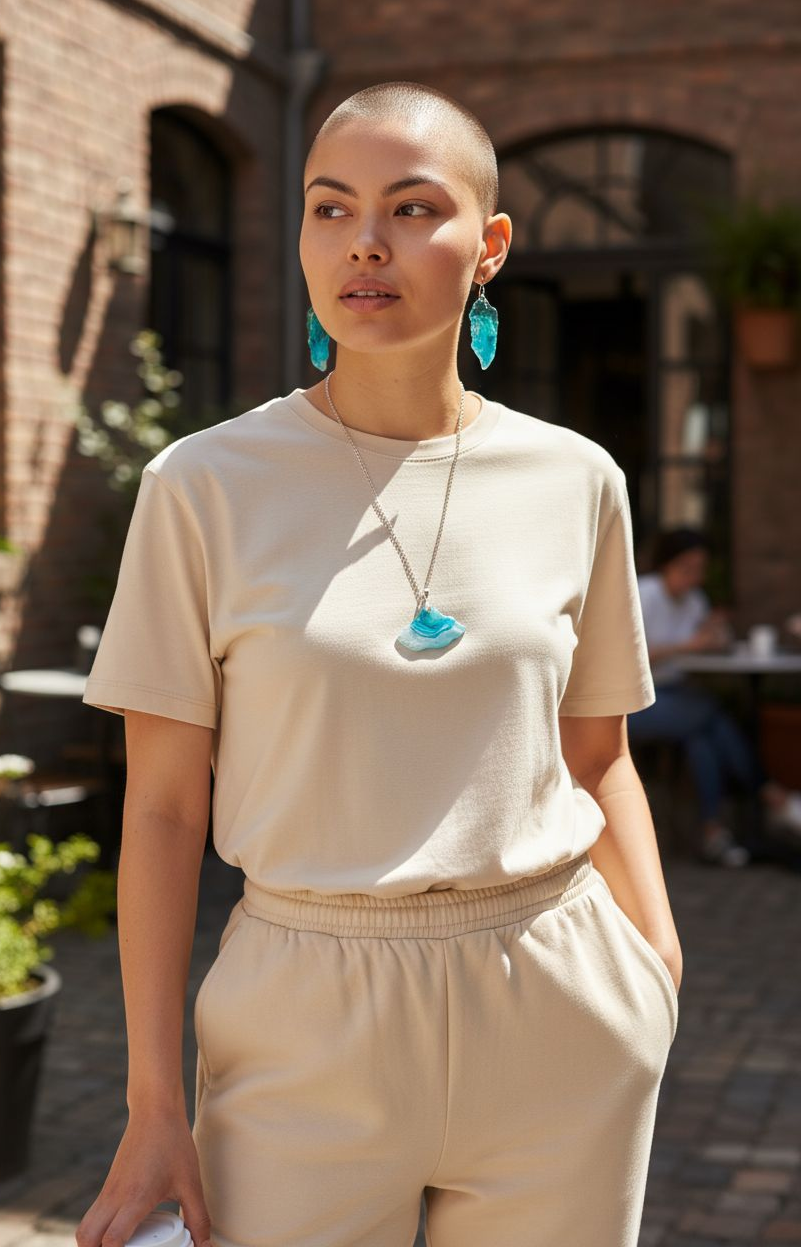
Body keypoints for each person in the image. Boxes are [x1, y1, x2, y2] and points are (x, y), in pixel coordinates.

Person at [76, 81, 683, 1247]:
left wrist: (650, 971)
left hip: (556, 1003)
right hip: (303, 1014)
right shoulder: (202, 487)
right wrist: (155, 1103)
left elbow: (596, 755)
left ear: (489, 245)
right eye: (329, 208)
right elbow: (159, 811)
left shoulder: (577, 481)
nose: (364, 242)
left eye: (412, 209)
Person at [628, 526, 801, 867]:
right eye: (687, 568)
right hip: (637, 700)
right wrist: (688, 646)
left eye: (700, 569)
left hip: (677, 698)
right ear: (667, 564)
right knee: (710, 711)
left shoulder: (695, 600)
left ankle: (713, 833)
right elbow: (624, 655)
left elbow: (704, 647)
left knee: (702, 736)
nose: (695, 577)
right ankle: (769, 792)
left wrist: (714, 635)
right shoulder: (643, 594)